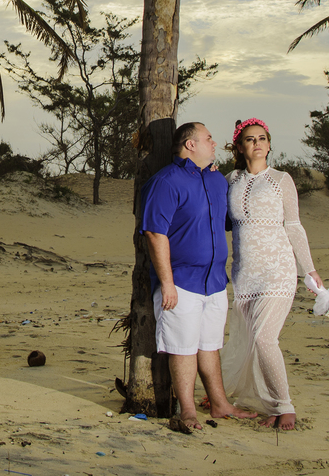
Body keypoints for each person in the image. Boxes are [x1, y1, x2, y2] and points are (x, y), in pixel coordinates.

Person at [141, 122, 255, 429]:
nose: (213, 142)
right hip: (181, 283)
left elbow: (229, 222)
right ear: (190, 145)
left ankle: (220, 404)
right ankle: (188, 411)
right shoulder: (166, 181)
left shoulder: (218, 180)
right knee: (183, 347)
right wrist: (166, 284)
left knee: (209, 346)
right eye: (207, 138)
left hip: (215, 283)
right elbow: (154, 234)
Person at [220, 117, 324, 430]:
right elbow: (221, 221)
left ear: (269, 144)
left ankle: (284, 405)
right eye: (250, 139)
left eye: (262, 138)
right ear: (239, 146)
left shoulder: (281, 179)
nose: (258, 144)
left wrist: (310, 270)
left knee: (265, 339)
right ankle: (248, 398)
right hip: (244, 274)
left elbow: (293, 226)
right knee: (249, 341)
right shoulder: (230, 180)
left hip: (278, 270)